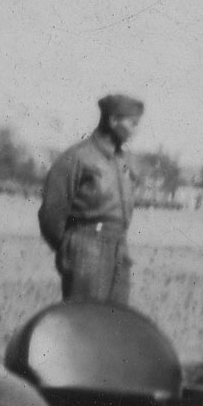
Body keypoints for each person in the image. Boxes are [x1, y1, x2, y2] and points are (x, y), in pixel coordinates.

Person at [39, 94, 142, 304]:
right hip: (86, 250)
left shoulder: (123, 162)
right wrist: (72, 247)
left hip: (119, 250)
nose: (136, 130)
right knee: (85, 323)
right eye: (132, 123)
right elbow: (51, 214)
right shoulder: (77, 158)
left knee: (115, 324)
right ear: (113, 121)